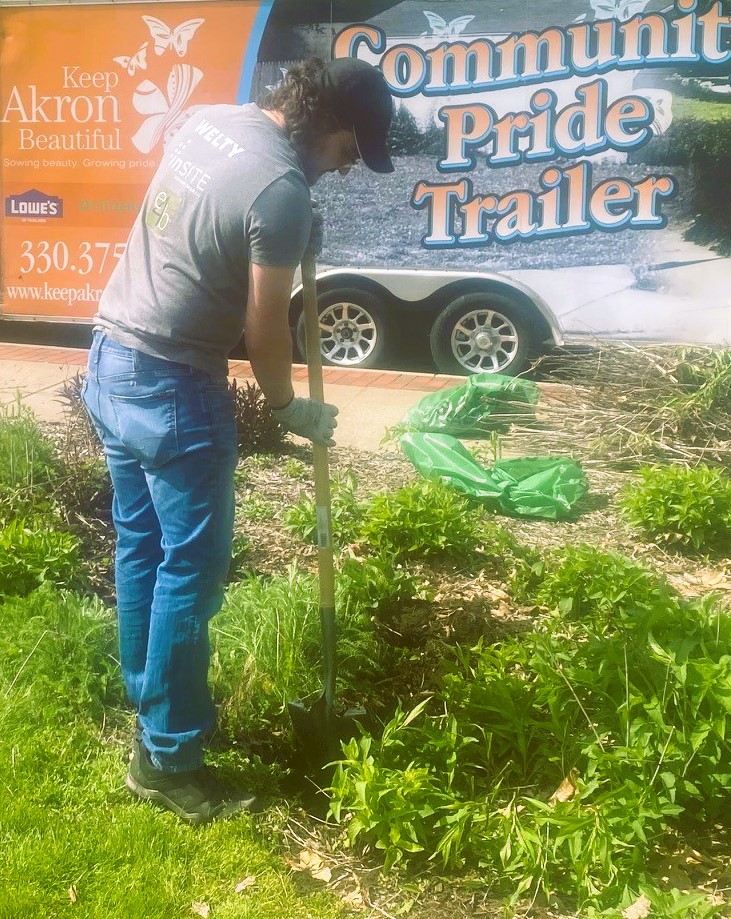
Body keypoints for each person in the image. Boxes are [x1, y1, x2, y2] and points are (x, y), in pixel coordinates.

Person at [81, 57, 395, 824]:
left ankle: (150, 704)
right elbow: (263, 328)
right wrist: (288, 408)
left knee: (143, 548)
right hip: (173, 385)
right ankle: (168, 757)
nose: (342, 170)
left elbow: (209, 211)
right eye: (348, 153)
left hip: (112, 356)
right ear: (330, 123)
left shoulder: (213, 121)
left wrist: (283, 228)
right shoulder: (281, 189)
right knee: (190, 572)